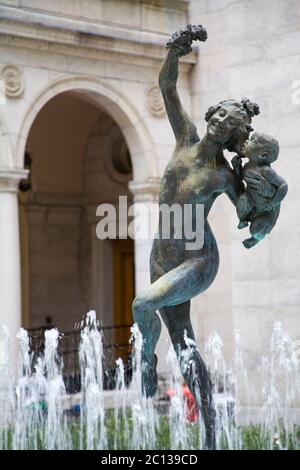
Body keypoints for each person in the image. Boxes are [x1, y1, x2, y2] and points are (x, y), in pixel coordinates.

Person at [132, 25, 274, 449]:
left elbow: (249, 215)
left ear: (233, 135)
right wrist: (175, 52)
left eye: (226, 123)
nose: (216, 122)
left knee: (143, 303)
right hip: (163, 251)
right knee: (185, 344)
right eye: (216, 115)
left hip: (198, 258)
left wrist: (265, 201)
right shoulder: (184, 138)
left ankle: (144, 359)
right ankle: (212, 432)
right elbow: (167, 86)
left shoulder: (225, 175)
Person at [232, 132, 288, 248]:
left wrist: (273, 201)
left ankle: (255, 238)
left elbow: (283, 185)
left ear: (262, 155)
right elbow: (241, 177)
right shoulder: (248, 165)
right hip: (251, 200)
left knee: (256, 229)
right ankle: (243, 220)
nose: (247, 141)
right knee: (242, 202)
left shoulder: (266, 171)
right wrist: (237, 167)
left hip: (265, 211)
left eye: (252, 140)